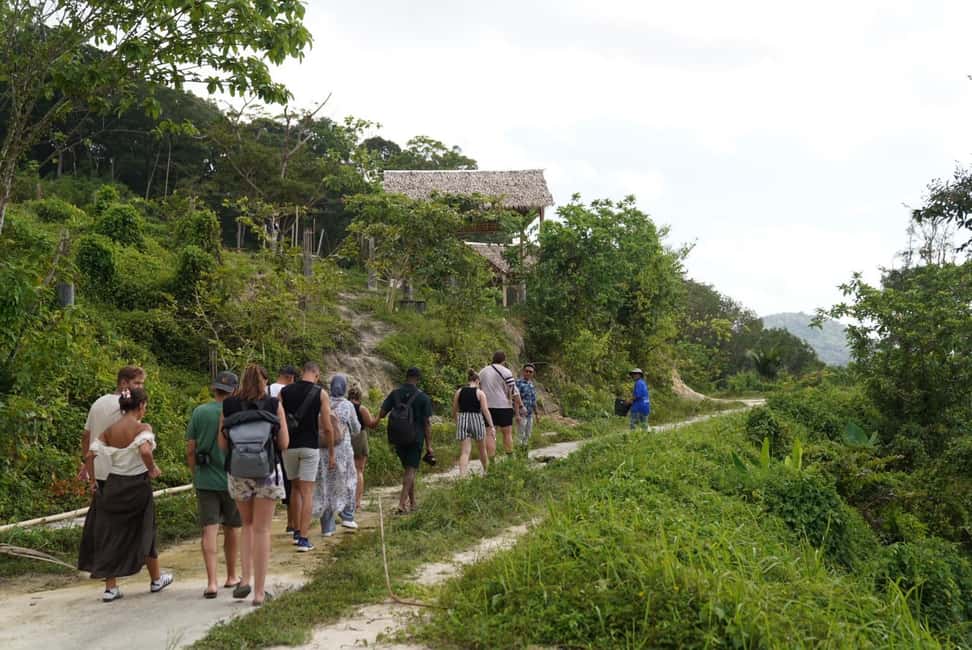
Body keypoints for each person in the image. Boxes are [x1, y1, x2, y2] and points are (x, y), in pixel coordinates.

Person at [78, 388, 173, 601]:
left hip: (113, 485)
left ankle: (111, 588)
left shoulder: (111, 430)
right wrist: (152, 468)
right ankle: (156, 579)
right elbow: (145, 451)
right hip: (137, 485)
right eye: (145, 406)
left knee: (111, 533)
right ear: (140, 406)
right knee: (146, 528)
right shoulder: (142, 428)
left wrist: (93, 481)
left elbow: (91, 454)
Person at [218, 364, 289, 606]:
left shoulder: (228, 406)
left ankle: (245, 579)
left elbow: (222, 444)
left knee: (246, 525)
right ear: (263, 383)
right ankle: (259, 593)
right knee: (262, 530)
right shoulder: (273, 404)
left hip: (238, 472)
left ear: (239, 384)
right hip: (267, 471)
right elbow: (285, 442)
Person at [185, 371, 242, 598]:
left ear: (213, 388)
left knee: (209, 529)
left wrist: (195, 473)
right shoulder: (238, 412)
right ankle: (231, 576)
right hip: (233, 477)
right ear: (235, 390)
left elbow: (191, 448)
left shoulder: (200, 412)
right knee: (232, 528)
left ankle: (211, 583)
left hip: (206, 479)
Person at [280, 362, 334, 552]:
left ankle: (295, 530)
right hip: (310, 447)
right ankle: (303, 538)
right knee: (307, 491)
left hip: (289, 447)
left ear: (302, 373)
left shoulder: (285, 392)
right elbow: (327, 427)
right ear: (316, 375)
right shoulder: (321, 393)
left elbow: (278, 420)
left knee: (294, 488)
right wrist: (332, 453)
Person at [77, 366, 146, 490]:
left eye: (142, 384)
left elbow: (86, 436)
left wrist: (88, 465)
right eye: (137, 383)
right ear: (123, 383)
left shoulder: (98, 403)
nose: (140, 387)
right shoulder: (130, 407)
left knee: (101, 508)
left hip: (97, 472)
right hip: (121, 473)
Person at [378, 367, 433, 514]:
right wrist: (429, 446)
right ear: (418, 379)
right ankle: (402, 504)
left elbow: (382, 413)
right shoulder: (423, 398)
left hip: (398, 438)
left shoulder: (395, 394)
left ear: (406, 377)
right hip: (416, 439)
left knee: (409, 470)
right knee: (410, 470)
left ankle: (413, 503)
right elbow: (427, 423)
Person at [314, 374, 359, 536]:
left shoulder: (322, 403)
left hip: (323, 451)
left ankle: (327, 527)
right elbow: (356, 428)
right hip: (342, 450)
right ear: (344, 388)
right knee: (348, 481)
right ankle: (347, 516)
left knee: (325, 485)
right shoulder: (347, 405)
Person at [268, 365, 298, 531]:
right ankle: (291, 523)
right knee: (290, 482)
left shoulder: (266, 389)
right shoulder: (289, 391)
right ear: (291, 378)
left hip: (267, 441)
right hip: (286, 440)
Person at [478, 351, 523, 457]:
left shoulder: (482, 372)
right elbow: (513, 391)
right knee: (507, 433)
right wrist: (520, 405)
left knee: (490, 434)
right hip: (504, 406)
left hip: (487, 407)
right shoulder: (506, 371)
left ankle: (492, 463)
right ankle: (510, 458)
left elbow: (478, 388)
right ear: (504, 360)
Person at [451, 369, 494, 476]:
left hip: (463, 419)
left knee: (465, 452)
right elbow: (485, 410)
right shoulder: (480, 393)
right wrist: (491, 425)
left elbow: (454, 410)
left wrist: (458, 422)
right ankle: (487, 472)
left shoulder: (459, 391)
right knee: (482, 449)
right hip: (477, 420)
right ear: (477, 381)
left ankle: (462, 477)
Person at [345, 385, 378, 518]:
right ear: (360, 397)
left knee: (348, 470)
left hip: (346, 437)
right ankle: (357, 502)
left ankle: (347, 501)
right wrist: (379, 416)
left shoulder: (345, 406)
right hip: (359, 437)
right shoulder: (362, 409)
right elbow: (371, 424)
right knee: (359, 470)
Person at [514, 364, 540, 448]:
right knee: (520, 435)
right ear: (523, 371)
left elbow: (533, 400)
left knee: (528, 435)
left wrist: (537, 414)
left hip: (529, 414)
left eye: (530, 372)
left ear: (533, 373)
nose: (528, 373)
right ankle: (519, 456)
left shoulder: (531, 384)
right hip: (521, 414)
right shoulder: (518, 383)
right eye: (527, 371)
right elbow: (516, 399)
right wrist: (517, 414)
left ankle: (524, 456)